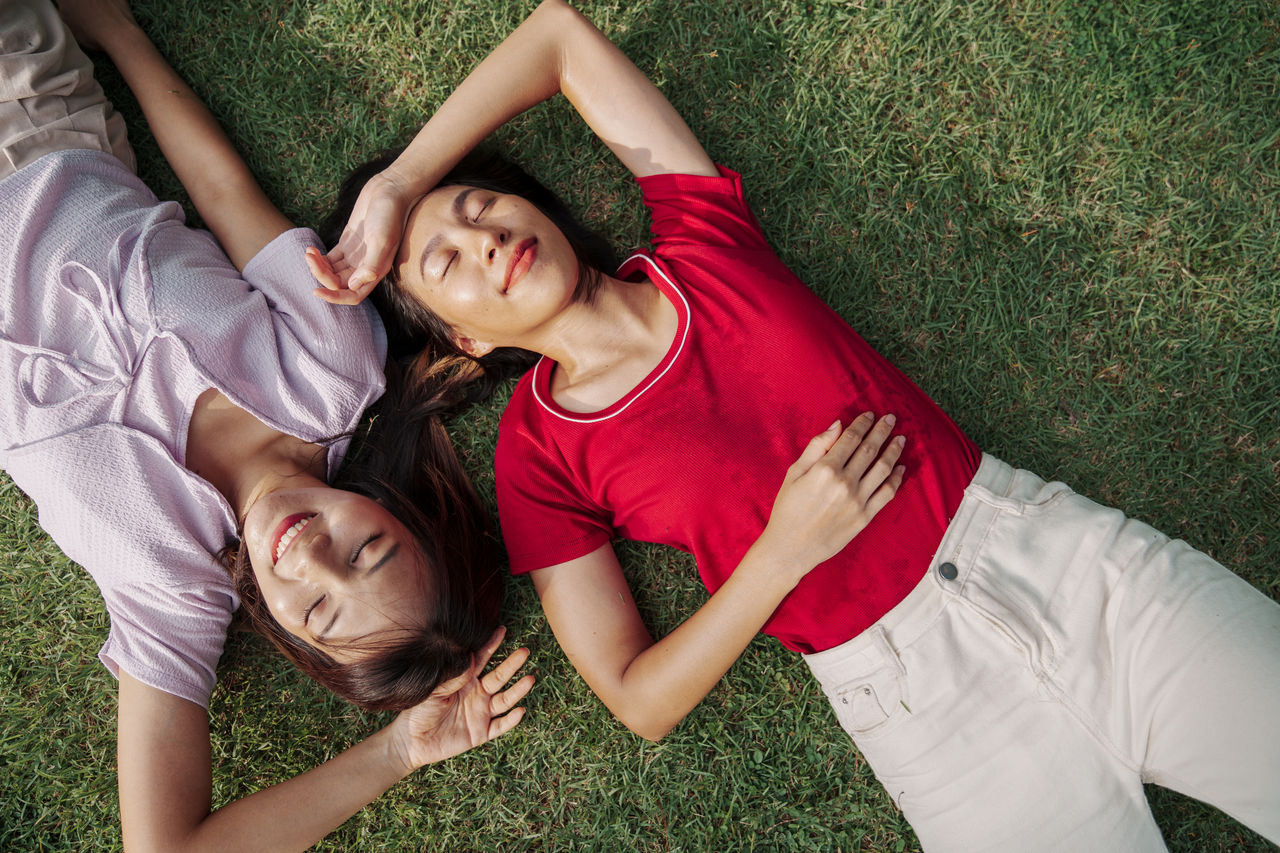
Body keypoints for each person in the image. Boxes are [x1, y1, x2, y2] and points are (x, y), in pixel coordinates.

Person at [312, 2, 1280, 850]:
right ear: (468, 340)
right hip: (927, 712)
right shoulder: (537, 456)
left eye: (480, 205)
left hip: (1070, 574)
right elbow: (638, 698)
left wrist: (398, 187)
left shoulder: (703, 245)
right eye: (446, 263)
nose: (482, 237)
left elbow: (557, 37)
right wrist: (780, 555)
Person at [0, 1, 532, 850]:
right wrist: (121, 35)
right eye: (366, 549)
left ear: (288, 634)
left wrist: (397, 751)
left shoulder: (172, 594)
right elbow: (221, 192)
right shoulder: (332, 368)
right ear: (394, 507)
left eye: (316, 608)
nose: (309, 556)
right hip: (31, 123)